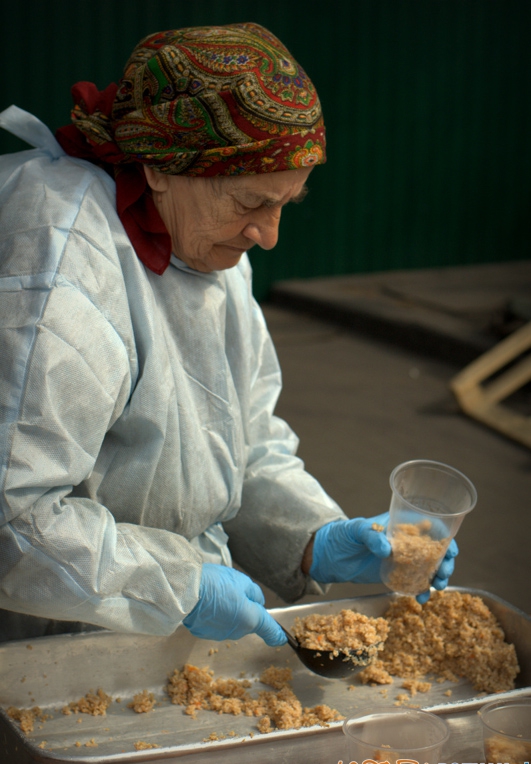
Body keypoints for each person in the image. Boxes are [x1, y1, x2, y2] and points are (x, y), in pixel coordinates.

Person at [0, 23, 457, 645]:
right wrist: (174, 584)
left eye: (285, 204)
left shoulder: (206, 236)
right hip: (52, 634)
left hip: (157, 624)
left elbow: (240, 440)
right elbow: (14, 519)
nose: (267, 235)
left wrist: (312, 538)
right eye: (250, 202)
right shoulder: (58, 271)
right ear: (160, 168)